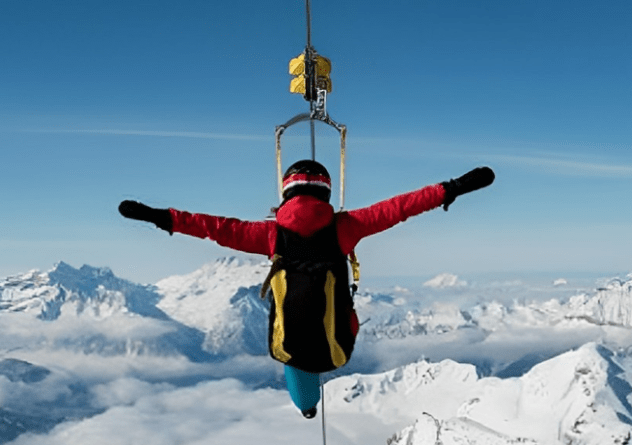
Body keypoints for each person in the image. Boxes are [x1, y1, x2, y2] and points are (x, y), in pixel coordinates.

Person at [119, 160, 494, 418]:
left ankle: (306, 406)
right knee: (330, 322)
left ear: (286, 193)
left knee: (294, 347)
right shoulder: (347, 228)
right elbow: (399, 208)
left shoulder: (270, 235)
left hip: (290, 345)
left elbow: (213, 227)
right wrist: (452, 188)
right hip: (338, 348)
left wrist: (160, 217)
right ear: (325, 192)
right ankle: (310, 396)